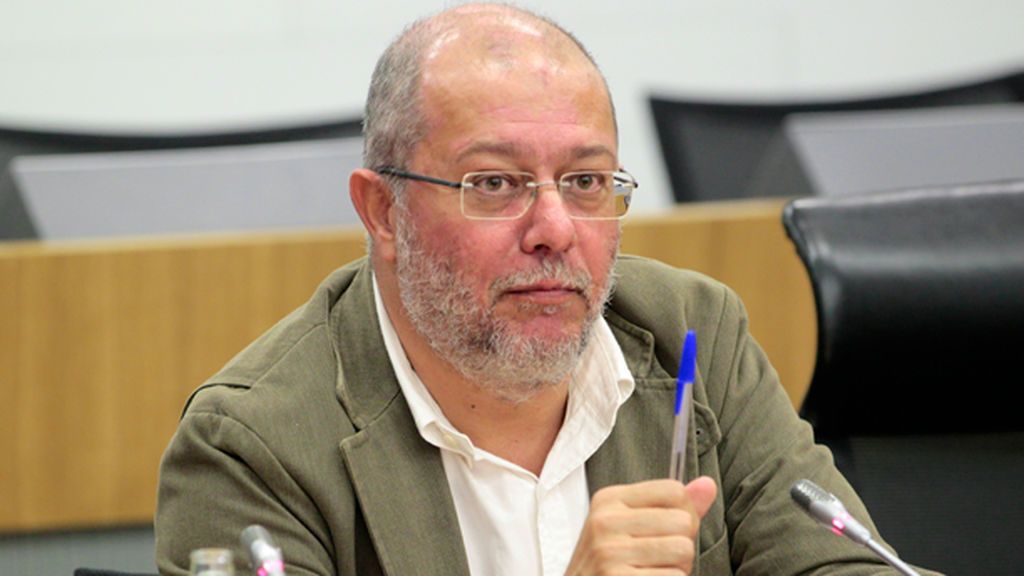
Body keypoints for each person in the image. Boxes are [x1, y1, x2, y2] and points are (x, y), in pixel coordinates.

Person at [155, 4, 926, 575]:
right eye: (495, 183)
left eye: (586, 181)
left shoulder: (694, 334)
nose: (555, 228)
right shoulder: (253, 446)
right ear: (384, 212)